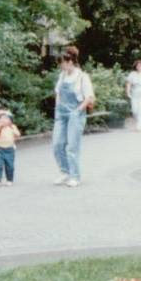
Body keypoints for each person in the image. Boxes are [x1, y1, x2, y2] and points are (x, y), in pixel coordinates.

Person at [52, 46, 95, 188]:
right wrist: (57, 107)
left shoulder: (82, 77)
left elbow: (88, 97)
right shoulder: (62, 75)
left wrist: (77, 111)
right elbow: (58, 92)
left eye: (62, 62)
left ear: (70, 61)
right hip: (61, 113)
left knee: (72, 146)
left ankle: (75, 176)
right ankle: (64, 171)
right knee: (57, 144)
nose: (61, 65)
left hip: (76, 113)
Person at [0, 111, 21, 187]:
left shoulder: (12, 127)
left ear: (10, 120)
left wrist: (13, 130)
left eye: (5, 119)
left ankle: (9, 179)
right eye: (1, 118)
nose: (3, 120)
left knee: (10, 166)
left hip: (10, 150)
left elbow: (18, 134)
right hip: (0, 149)